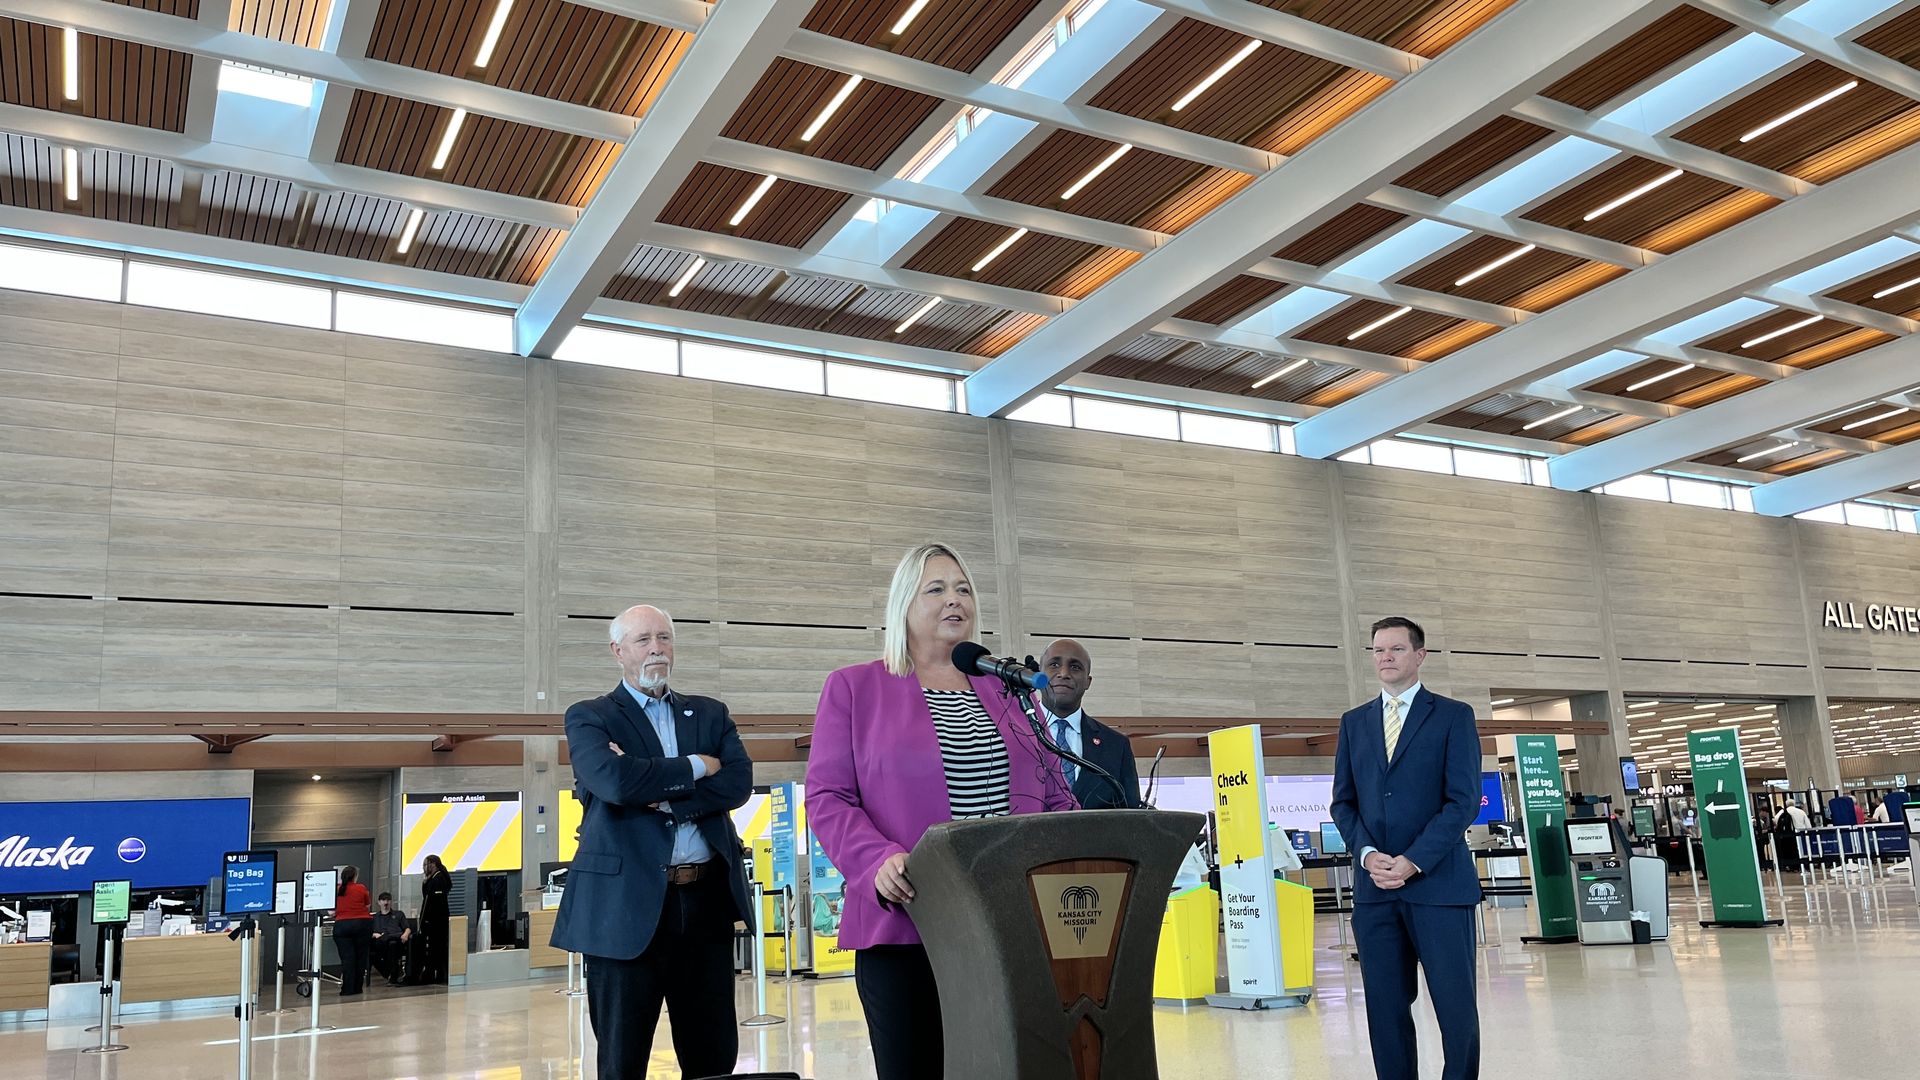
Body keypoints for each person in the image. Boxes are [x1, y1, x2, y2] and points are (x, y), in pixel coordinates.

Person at [806, 543, 1078, 1080]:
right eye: (936, 589)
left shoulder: (1006, 690)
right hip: (909, 921)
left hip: (1008, 923)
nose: (955, 599)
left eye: (964, 589)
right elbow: (828, 796)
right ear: (903, 604)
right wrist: (875, 860)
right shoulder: (856, 687)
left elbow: (1053, 790)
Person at [550, 603, 752, 1080]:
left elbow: (738, 784)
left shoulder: (709, 713)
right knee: (622, 1061)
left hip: (705, 904)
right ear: (618, 651)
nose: (657, 648)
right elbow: (614, 782)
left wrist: (657, 792)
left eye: (665, 638)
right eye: (643, 640)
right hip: (624, 911)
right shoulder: (589, 717)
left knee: (713, 1057)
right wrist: (699, 766)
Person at [1330, 616, 1482, 1080]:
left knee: (1455, 1008)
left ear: (1419, 655)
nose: (1386, 658)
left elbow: (1462, 802)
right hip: (1376, 892)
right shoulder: (1354, 723)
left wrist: (1413, 860)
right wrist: (1367, 854)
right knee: (1385, 1009)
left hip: (1438, 887)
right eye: (1378, 651)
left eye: (1396, 649)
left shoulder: (1454, 716)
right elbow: (1343, 802)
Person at [1036, 638, 1141, 809]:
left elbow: (1132, 816)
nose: (1064, 673)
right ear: (1038, 675)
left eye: (1075, 667)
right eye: (1054, 665)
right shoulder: (1014, 734)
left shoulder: (1116, 745)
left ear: (1088, 681)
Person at [332, 865, 373, 996]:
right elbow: (367, 906)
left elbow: (331, 912)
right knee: (361, 957)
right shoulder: (361, 888)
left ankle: (347, 989)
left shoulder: (337, 890)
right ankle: (357, 988)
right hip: (362, 924)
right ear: (355, 876)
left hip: (342, 926)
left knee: (347, 958)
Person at [418, 854, 452, 985]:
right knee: (436, 948)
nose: (424, 868)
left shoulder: (439, 879)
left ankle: (436, 974)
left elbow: (432, 900)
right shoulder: (434, 879)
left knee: (436, 948)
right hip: (435, 920)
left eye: (426, 865)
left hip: (436, 920)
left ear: (432, 864)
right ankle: (434, 974)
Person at [370, 892, 414, 986]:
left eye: (388, 900)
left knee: (392, 943)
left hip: (396, 941)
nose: (386, 902)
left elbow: (407, 928)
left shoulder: (399, 914)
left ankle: (393, 976)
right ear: (379, 902)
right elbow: (369, 932)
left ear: (391, 902)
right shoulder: (374, 918)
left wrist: (405, 934)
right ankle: (392, 974)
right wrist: (374, 934)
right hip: (380, 943)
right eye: (383, 900)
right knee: (371, 952)